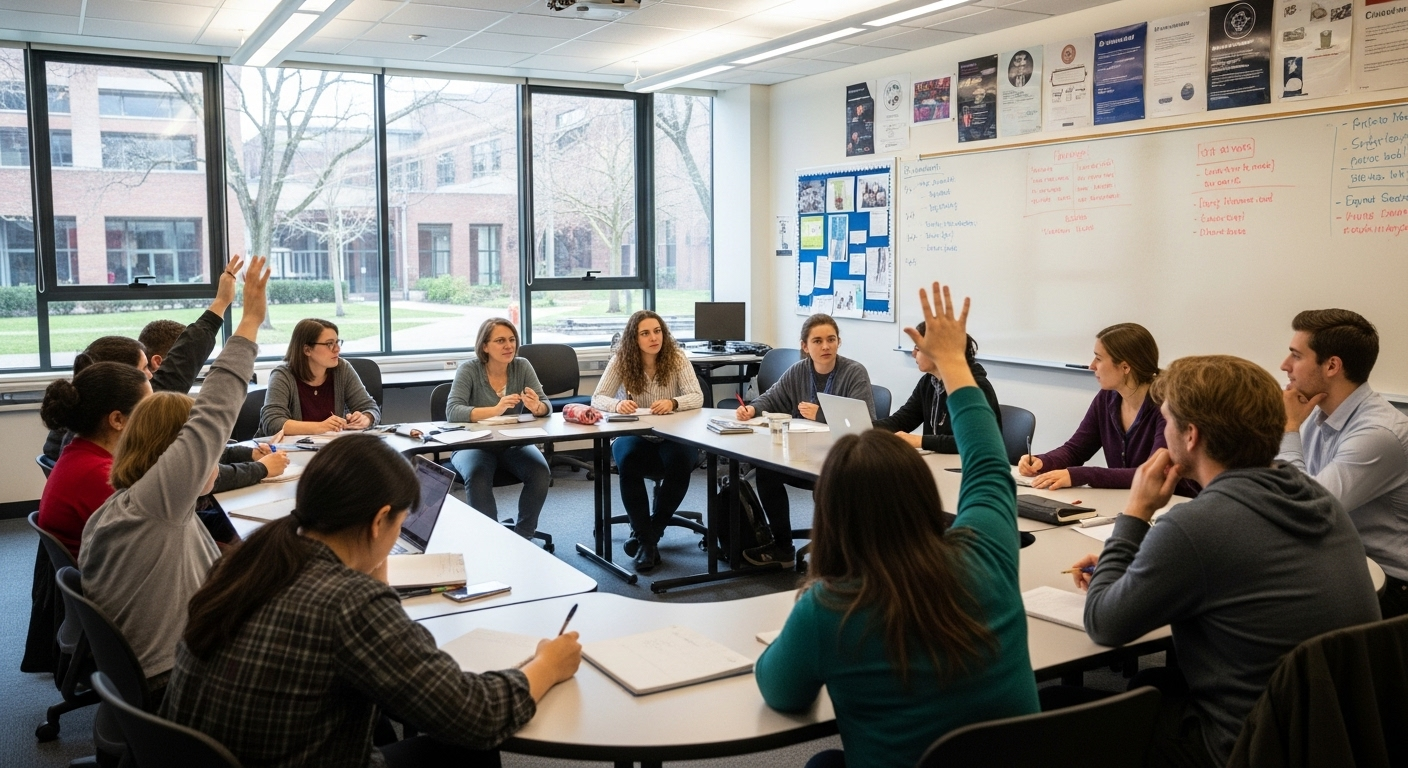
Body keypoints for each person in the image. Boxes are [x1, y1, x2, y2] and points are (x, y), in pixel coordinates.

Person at [161, 435, 582, 767]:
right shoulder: (349, 603)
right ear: (380, 520)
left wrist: (371, 571)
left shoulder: (254, 558)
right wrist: (546, 664)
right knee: (469, 748)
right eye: (399, 523)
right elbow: (475, 715)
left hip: (215, 754)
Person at [755, 282, 1038, 768]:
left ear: (832, 515)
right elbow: (990, 465)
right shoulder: (989, 554)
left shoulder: (828, 608)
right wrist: (953, 363)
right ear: (922, 495)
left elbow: (780, 692)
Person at [1066, 355, 1381, 768]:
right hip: (1331, 736)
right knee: (1153, 681)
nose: (1163, 435)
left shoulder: (1195, 526)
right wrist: (1132, 557)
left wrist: (1135, 514)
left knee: (1057, 708)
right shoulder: (1315, 496)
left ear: (1190, 435)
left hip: (1246, 747)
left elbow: (1105, 624)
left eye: (1166, 423)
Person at [80, 257, 270, 696]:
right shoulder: (158, 506)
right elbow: (215, 412)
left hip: (165, 661)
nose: (211, 460)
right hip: (179, 681)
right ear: (175, 460)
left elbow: (211, 567)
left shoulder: (129, 505)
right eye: (202, 455)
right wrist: (250, 321)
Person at [41, 256, 243, 460]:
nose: (151, 377)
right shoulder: (123, 425)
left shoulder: (76, 420)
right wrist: (222, 303)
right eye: (144, 369)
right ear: (119, 378)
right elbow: (181, 364)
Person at [1277, 309, 1408, 619]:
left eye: (1296, 355)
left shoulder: (1378, 434)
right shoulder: (1316, 413)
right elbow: (1276, 488)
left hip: (1391, 588)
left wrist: (1288, 429)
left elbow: (1305, 509)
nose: (1285, 365)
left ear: (1332, 365)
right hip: (1341, 563)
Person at [735, 314, 874, 567]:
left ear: (838, 342)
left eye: (831, 340)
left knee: (827, 486)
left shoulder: (854, 373)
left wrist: (820, 414)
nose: (825, 347)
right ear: (805, 346)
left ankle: (837, 552)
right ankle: (783, 547)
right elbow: (772, 397)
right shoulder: (799, 371)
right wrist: (752, 409)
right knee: (766, 473)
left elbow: (865, 423)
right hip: (804, 456)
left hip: (840, 459)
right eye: (818, 341)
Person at [1019, 323, 1194, 494]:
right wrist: (1043, 461)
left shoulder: (1167, 407)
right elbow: (1076, 450)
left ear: (1125, 367)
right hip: (1126, 500)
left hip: (1174, 504)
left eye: (1099, 358)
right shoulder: (1106, 398)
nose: (1092, 365)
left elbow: (1154, 473)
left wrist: (1081, 475)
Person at [592, 310, 703, 572]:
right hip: (634, 433)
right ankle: (647, 538)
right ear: (634, 338)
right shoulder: (622, 360)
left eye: (657, 331)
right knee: (628, 460)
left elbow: (696, 396)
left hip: (672, 435)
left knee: (680, 461)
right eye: (645, 333)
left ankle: (649, 537)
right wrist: (618, 404)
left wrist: (673, 402)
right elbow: (598, 398)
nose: (654, 338)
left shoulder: (675, 358)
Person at [139, 311, 289, 493]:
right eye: (193, 360)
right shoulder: (155, 416)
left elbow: (202, 449)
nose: (147, 375)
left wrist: (249, 454)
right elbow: (200, 475)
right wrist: (262, 469)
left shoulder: (167, 403)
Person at [446, 318, 552, 539]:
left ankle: (524, 535)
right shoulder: (469, 369)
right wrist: (495, 409)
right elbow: (453, 411)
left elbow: (546, 406)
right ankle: (490, 539)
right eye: (500, 341)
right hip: (472, 444)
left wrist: (537, 407)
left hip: (511, 443)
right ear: (485, 346)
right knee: (477, 474)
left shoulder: (521, 366)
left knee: (541, 472)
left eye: (512, 340)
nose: (508, 346)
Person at [37, 362, 151, 559]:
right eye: (148, 409)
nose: (153, 417)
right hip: (114, 581)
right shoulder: (100, 476)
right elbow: (152, 541)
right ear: (117, 420)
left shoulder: (78, 452)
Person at [875, 325, 1001, 453]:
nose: (913, 354)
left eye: (917, 348)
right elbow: (903, 420)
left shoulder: (974, 388)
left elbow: (973, 441)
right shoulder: (928, 382)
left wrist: (920, 441)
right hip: (940, 462)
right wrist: (864, 428)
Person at [260, 318, 380, 436]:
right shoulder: (283, 375)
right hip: (284, 452)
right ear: (307, 350)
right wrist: (321, 426)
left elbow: (370, 407)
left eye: (337, 342)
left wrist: (366, 418)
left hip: (329, 449)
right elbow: (272, 423)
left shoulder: (342, 368)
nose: (337, 349)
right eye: (329, 344)